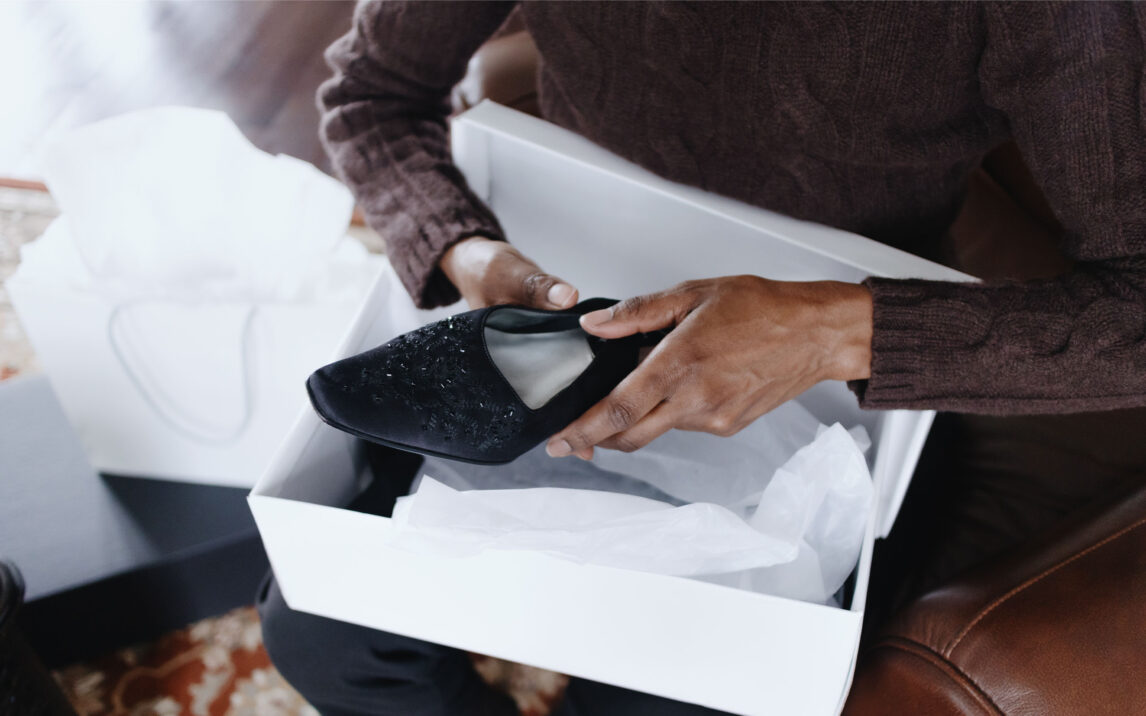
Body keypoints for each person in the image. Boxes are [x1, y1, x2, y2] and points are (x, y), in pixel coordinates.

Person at [259, 2, 1146, 714]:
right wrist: (466, 251)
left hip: (843, 396)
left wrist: (834, 330)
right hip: (565, 350)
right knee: (320, 635)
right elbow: (371, 95)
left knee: (667, 689)